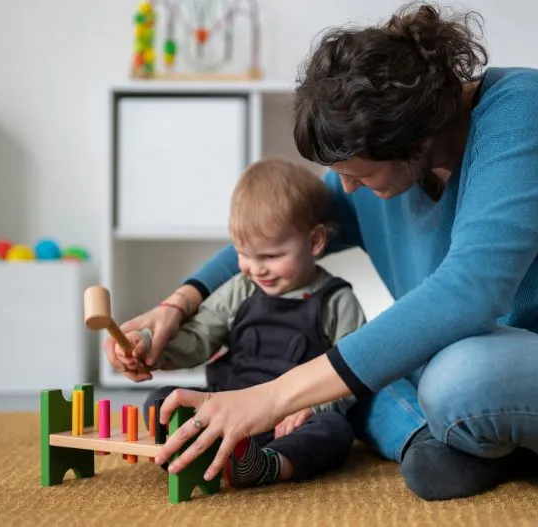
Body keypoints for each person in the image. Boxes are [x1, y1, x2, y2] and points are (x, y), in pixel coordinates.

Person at [105, 2, 538, 502]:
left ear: (416, 136)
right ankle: (434, 447)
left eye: (356, 174)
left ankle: (467, 432)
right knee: (371, 365)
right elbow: (288, 227)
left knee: (458, 375)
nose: (344, 189)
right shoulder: (387, 169)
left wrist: (271, 396)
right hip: (536, 374)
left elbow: (469, 293)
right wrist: (178, 302)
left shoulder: (530, 114)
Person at [109, 156, 366, 488]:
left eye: (271, 256)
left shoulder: (336, 300)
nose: (256, 269)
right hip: (226, 404)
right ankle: (209, 453)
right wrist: (150, 344)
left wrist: (314, 407)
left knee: (335, 429)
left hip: (289, 420)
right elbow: (199, 337)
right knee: (163, 401)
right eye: (244, 254)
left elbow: (352, 370)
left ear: (315, 241)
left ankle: (271, 465)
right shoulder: (240, 288)